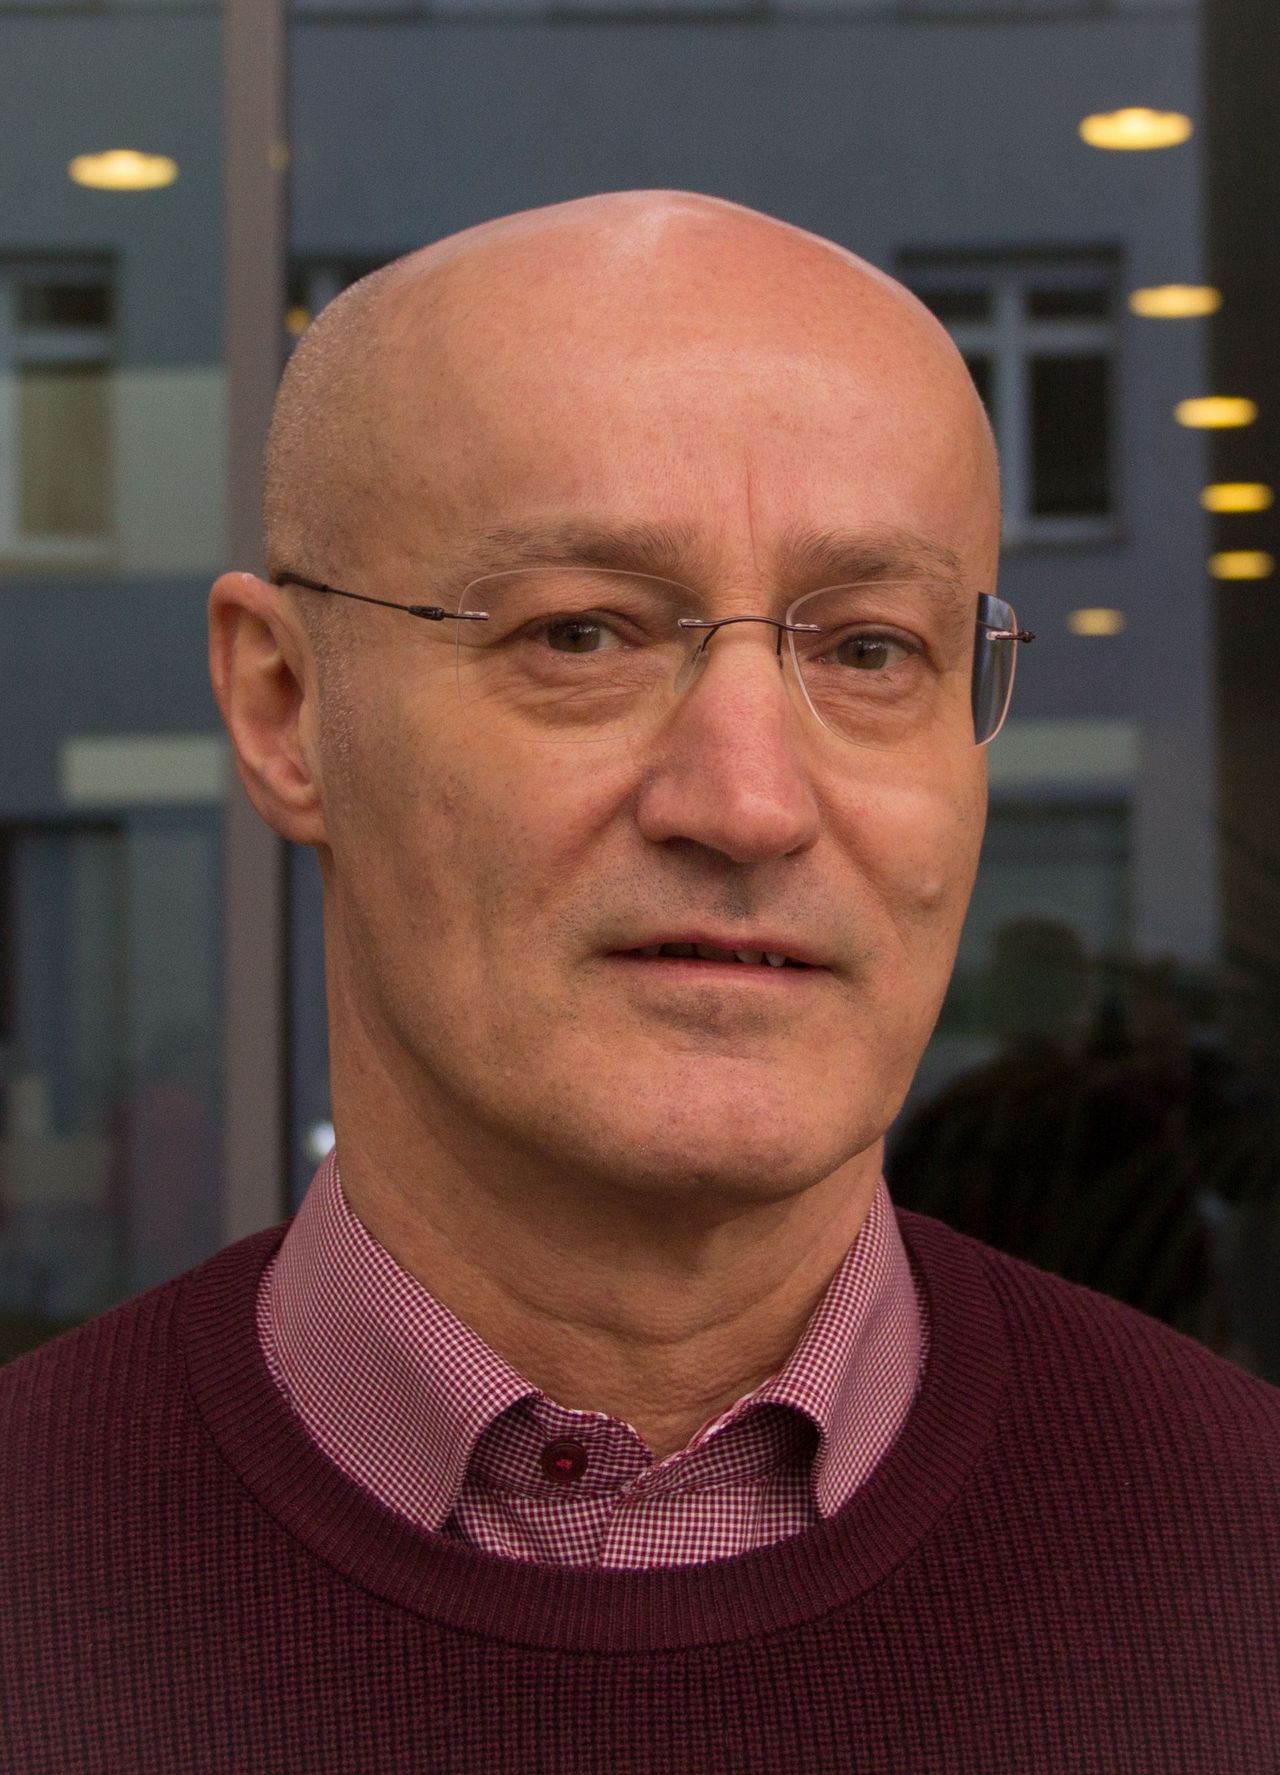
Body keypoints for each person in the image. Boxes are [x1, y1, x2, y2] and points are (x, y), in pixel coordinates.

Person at [2, 190, 1276, 1773]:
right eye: (582, 635)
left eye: (870, 650)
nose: (748, 802)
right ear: (284, 709)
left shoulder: (1247, 1573)